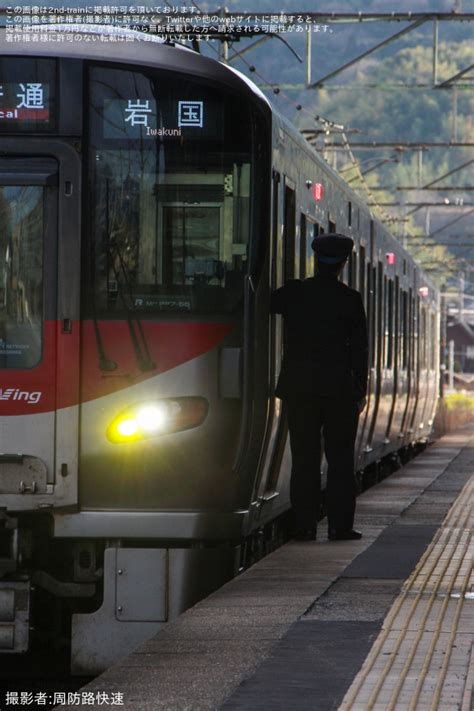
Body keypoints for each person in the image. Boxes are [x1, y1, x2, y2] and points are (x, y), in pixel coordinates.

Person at [271, 233, 368, 541]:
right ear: (343, 264)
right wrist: (359, 390)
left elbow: (264, 301)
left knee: (304, 458)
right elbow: (360, 350)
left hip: (300, 390)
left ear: (315, 260)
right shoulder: (350, 299)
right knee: (340, 460)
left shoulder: (295, 294)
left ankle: (305, 525)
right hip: (339, 392)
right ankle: (340, 526)